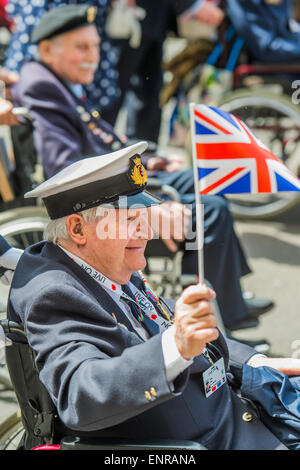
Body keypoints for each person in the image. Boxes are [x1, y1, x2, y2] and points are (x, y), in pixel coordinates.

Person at [7, 142, 300, 450]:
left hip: (244, 409)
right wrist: (175, 347)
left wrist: (258, 360)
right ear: (78, 229)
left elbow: (158, 317)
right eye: (129, 220)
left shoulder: (104, 262)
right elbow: (80, 393)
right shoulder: (55, 292)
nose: (145, 233)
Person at [11, 4, 273, 332]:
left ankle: (230, 301)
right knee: (211, 211)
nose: (93, 55)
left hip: (110, 183)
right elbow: (65, 168)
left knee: (204, 182)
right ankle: (223, 322)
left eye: (95, 46)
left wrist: (150, 161)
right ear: (47, 49)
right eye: (82, 47)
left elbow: (101, 141)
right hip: (96, 202)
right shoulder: (43, 86)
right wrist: (140, 210)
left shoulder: (58, 79)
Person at [102, 0, 225, 143]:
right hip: (131, 14)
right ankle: (97, 148)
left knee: (149, 89)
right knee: (114, 88)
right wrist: (193, 5)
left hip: (155, 17)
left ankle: (142, 152)